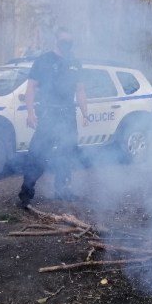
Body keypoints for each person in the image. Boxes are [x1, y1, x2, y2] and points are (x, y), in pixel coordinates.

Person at [18, 28, 88, 206]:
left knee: (67, 153)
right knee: (37, 154)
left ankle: (62, 190)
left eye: (70, 41)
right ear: (56, 40)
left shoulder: (75, 63)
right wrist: (31, 113)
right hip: (49, 114)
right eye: (64, 40)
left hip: (68, 115)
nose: (67, 44)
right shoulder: (44, 60)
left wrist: (85, 112)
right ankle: (26, 195)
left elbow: (80, 90)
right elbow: (31, 88)